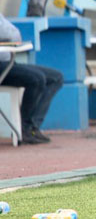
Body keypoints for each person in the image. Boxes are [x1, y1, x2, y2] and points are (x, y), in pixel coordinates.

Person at [0, 13, 63, 144]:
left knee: (55, 77)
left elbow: (14, 36)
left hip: (8, 62)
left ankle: (32, 127)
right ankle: (24, 127)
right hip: (2, 65)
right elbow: (11, 34)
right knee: (36, 79)